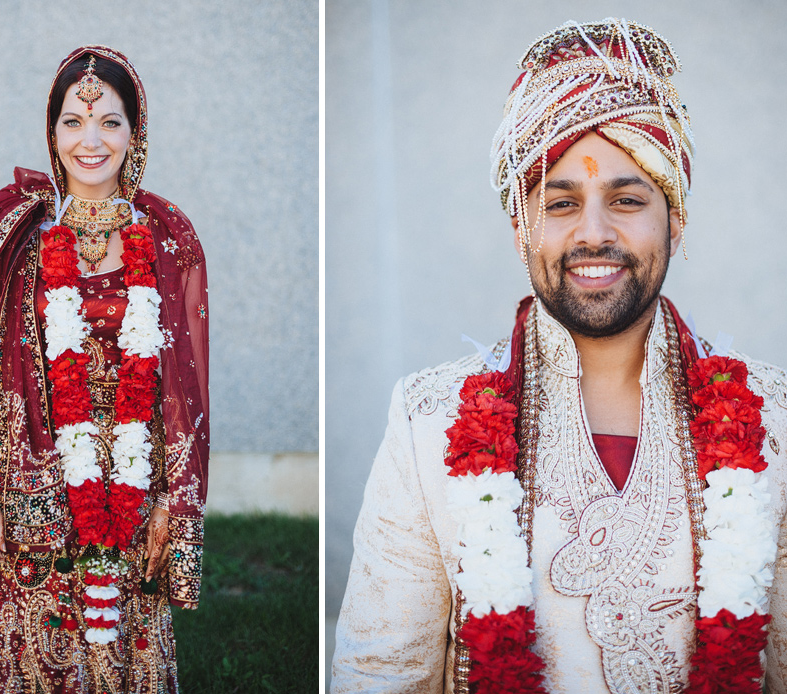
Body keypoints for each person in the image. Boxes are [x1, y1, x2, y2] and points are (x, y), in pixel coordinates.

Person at [331, 18, 787, 694]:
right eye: (561, 202)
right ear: (521, 229)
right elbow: (380, 675)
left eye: (628, 200)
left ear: (677, 219)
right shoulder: (428, 421)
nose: (593, 233)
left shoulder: (773, 418)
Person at [0, 46, 208, 693]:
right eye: (73, 121)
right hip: (35, 492)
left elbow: (185, 380)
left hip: (133, 489)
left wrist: (175, 493)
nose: (91, 140)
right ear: (51, 132)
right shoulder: (14, 228)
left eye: (110, 122)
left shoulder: (167, 235)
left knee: (130, 640)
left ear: (135, 133)